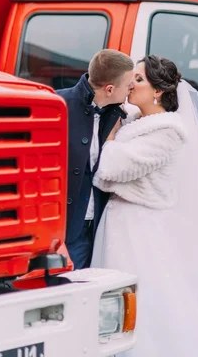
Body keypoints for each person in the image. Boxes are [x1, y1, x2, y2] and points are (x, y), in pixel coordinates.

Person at [90, 55, 198, 356]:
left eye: (139, 79)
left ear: (158, 91)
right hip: (122, 224)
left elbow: (113, 168)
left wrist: (111, 142)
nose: (131, 84)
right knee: (114, 309)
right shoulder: (136, 121)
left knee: (143, 310)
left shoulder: (168, 132)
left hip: (140, 231)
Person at [56, 49, 134, 270]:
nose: (131, 88)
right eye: (128, 83)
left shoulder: (119, 115)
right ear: (110, 89)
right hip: (61, 230)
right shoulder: (57, 105)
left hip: (98, 227)